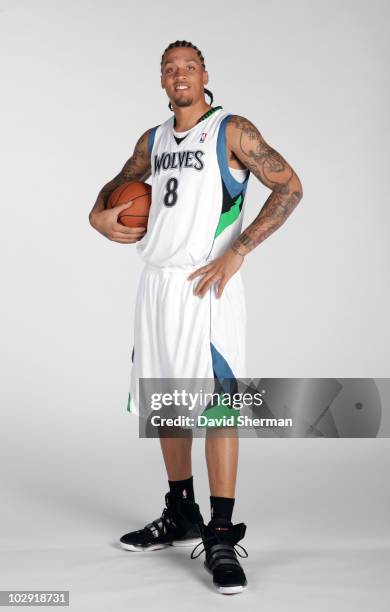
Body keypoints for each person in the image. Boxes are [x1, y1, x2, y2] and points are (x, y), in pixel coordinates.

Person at [89, 40, 303, 595]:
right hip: (156, 285)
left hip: (206, 285)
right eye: (169, 69)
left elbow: (290, 186)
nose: (179, 75)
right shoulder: (153, 139)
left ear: (205, 74)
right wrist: (98, 216)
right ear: (161, 80)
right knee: (167, 406)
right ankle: (182, 510)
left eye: (188, 66)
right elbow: (114, 188)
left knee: (217, 408)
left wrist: (239, 250)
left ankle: (223, 532)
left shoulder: (232, 130)